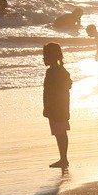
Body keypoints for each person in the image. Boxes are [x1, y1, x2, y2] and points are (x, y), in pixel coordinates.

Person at [42, 42, 72, 170]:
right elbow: (68, 85)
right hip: (63, 105)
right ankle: (63, 158)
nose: (43, 59)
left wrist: (47, 107)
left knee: (59, 133)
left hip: (55, 107)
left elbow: (49, 92)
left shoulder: (52, 72)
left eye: (45, 56)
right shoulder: (62, 70)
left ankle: (63, 159)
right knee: (62, 133)